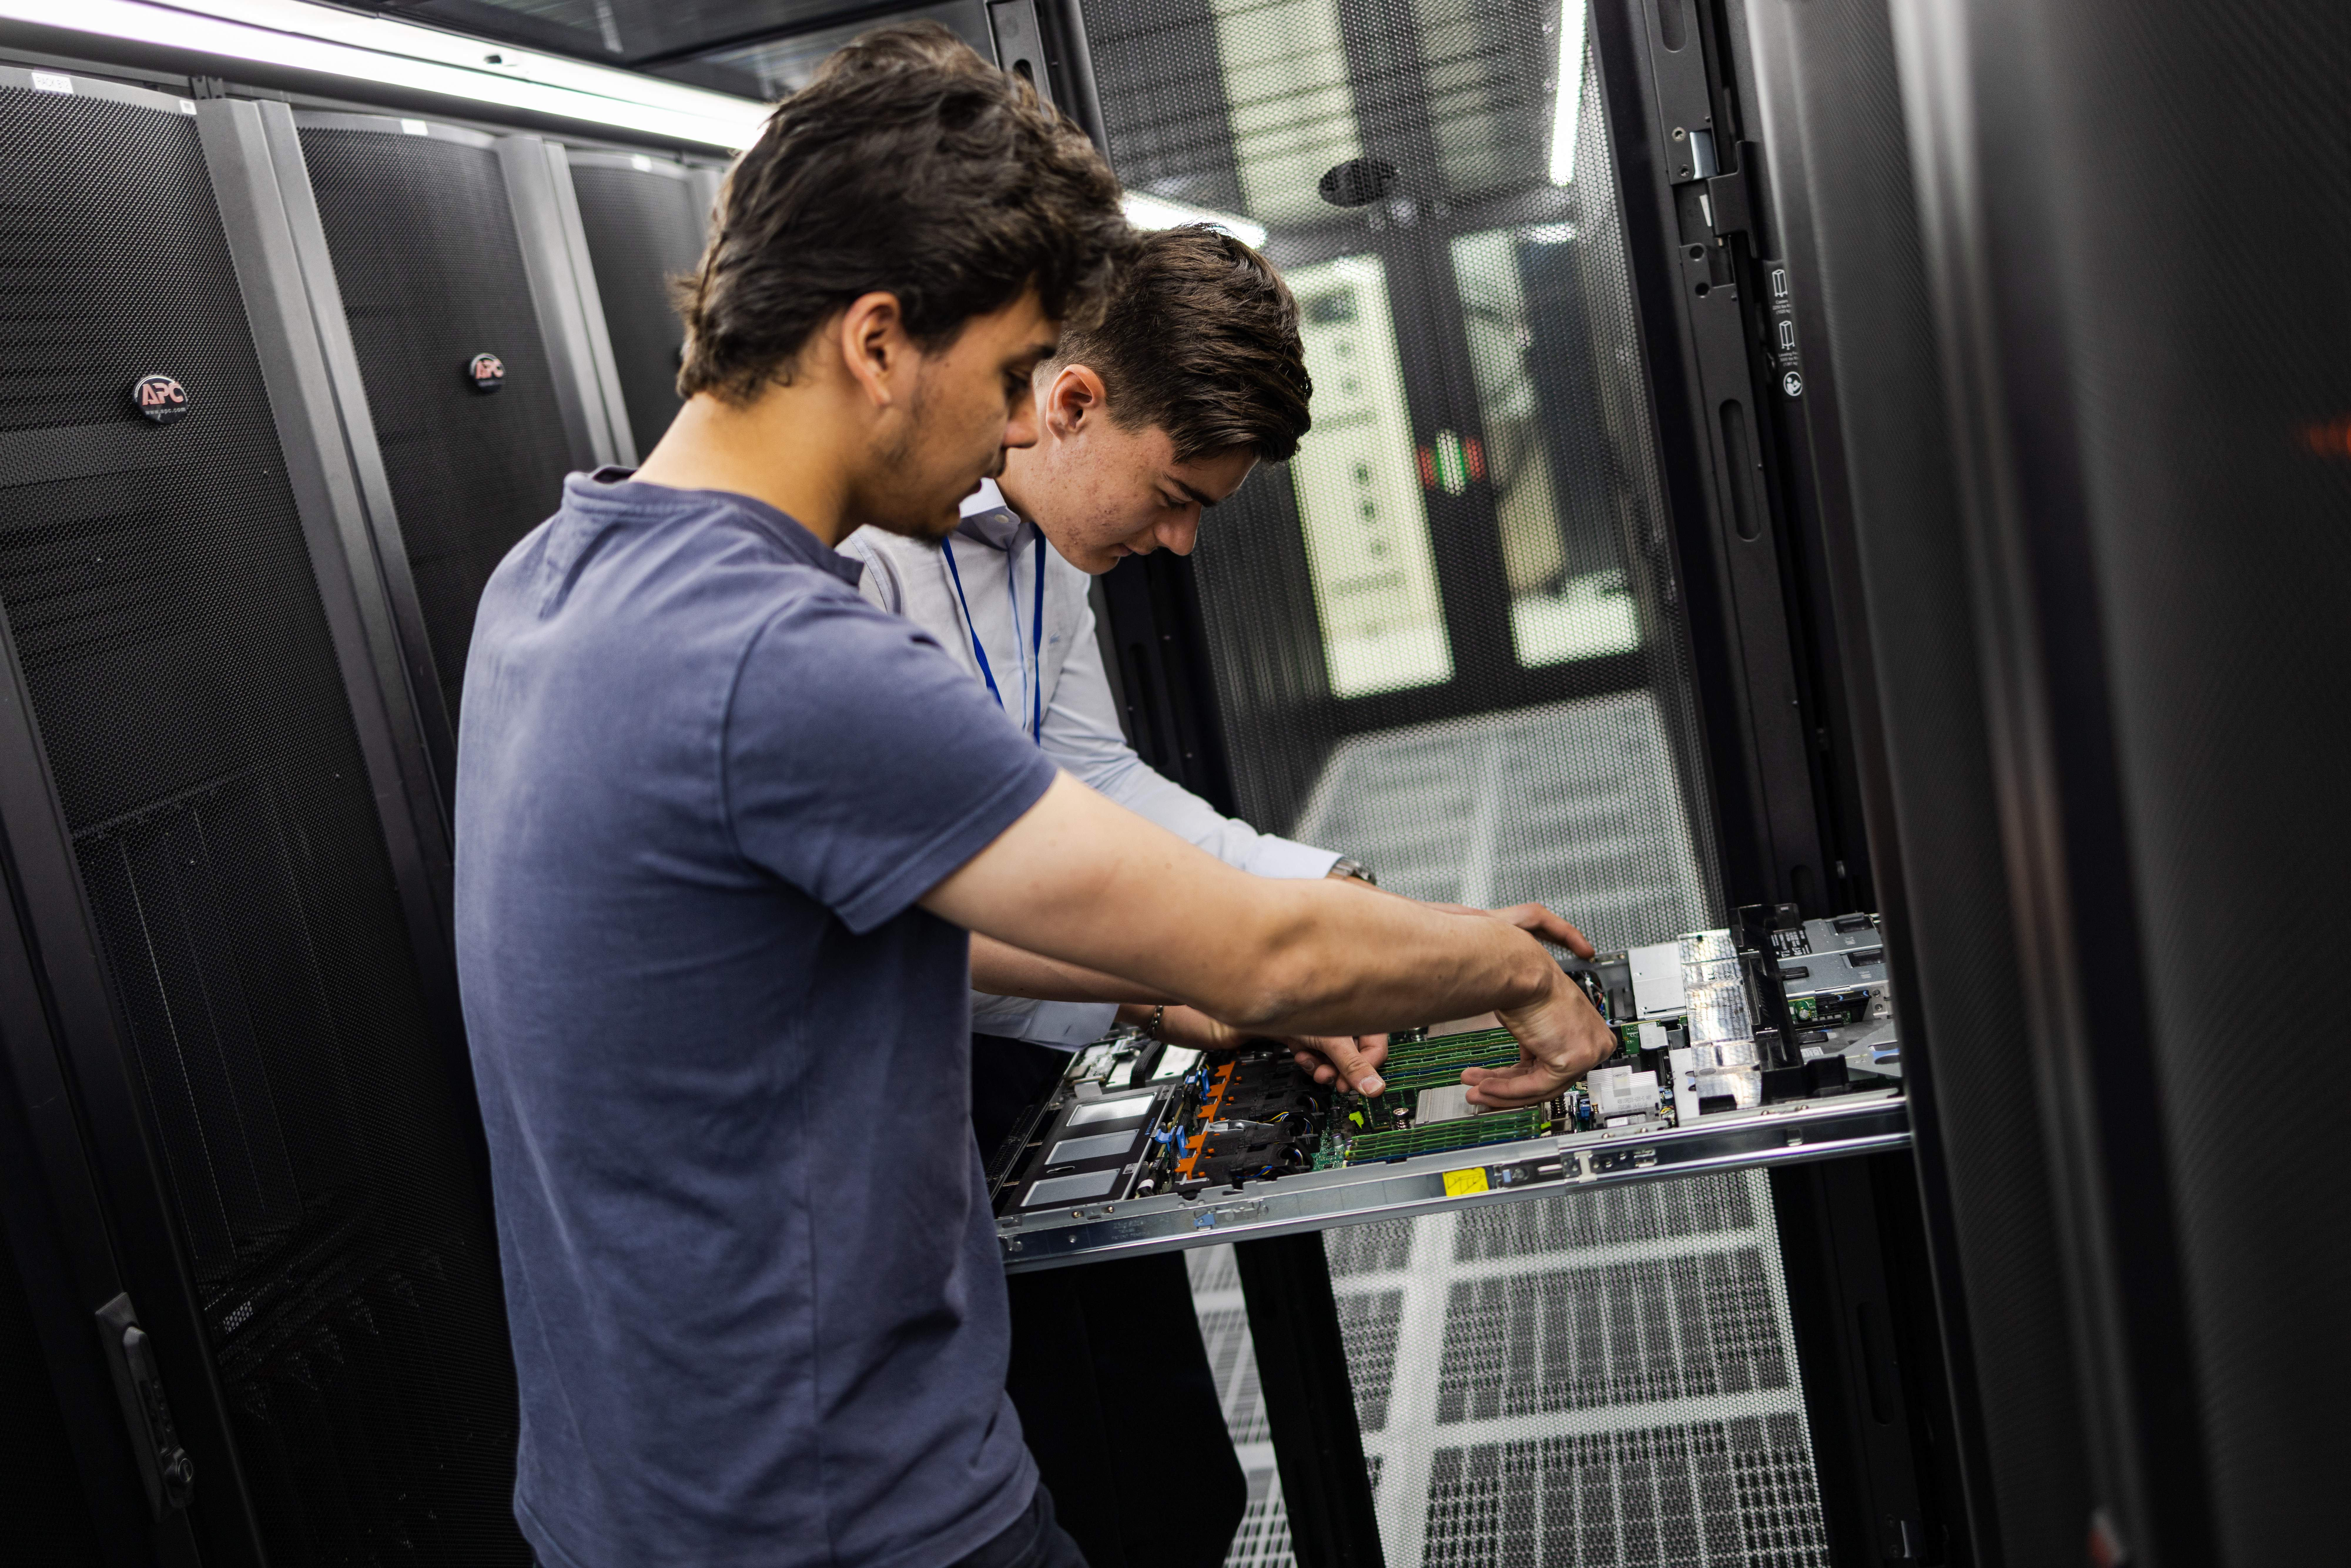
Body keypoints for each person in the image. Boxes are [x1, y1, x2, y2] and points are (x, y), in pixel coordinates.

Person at [453, 23, 1617, 1568]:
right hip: (839, 1506)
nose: (1018, 428)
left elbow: (876, 923)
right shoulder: (785, 653)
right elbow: (1249, 957)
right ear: (878, 342)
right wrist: (1509, 968)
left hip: (639, 1488)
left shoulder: (553, 575)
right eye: (1010, 375)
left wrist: (1180, 977)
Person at [839, 225, 1587, 1568]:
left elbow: (1089, 777)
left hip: (1016, 1054)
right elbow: (891, 915)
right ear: (1071, 405)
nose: (1178, 542)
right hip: (878, 1111)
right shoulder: (856, 562)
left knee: (1174, 1478)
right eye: (1174, 491)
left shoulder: (1045, 554)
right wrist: (1196, 967)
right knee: (1072, 1498)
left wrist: (1340, 902)